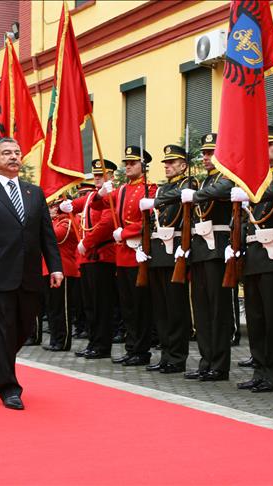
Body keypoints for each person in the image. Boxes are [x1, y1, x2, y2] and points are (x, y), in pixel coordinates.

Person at [0, 137, 63, 411]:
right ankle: (8, 387)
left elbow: (46, 234)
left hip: (29, 274)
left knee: (25, 327)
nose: (14, 157)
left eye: (17, 152)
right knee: (2, 329)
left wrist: (55, 266)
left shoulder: (34, 193)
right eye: (7, 153)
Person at [232, 127, 273, 393]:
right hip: (254, 254)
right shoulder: (258, 179)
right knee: (257, 319)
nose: (265, 150)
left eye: (271, 145)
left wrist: (251, 193)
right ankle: (259, 370)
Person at [93, 146, 157, 367]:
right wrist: (100, 193)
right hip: (122, 255)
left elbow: (150, 220)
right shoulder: (121, 190)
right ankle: (132, 348)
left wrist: (126, 232)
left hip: (139, 253)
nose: (128, 166)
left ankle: (141, 350)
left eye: (133, 163)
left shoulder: (150, 189)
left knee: (140, 305)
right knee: (127, 306)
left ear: (143, 166)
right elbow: (97, 204)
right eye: (126, 163)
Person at [138, 145, 197, 374]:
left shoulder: (188, 184)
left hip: (175, 251)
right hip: (158, 252)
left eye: (172, 162)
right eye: (166, 163)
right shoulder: (163, 188)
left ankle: (177, 357)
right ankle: (165, 354)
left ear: (183, 165)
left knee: (176, 309)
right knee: (161, 310)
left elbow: (180, 199)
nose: (167, 166)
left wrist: (154, 201)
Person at [180, 133, 234, 382]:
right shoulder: (205, 182)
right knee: (201, 310)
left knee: (217, 310)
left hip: (218, 247)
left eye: (210, 153)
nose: (205, 157)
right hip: (201, 248)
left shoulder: (226, 178)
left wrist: (195, 196)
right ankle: (206, 361)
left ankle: (219, 365)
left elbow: (223, 190)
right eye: (203, 153)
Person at [70, 164, 118, 360]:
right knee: (90, 304)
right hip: (88, 258)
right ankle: (93, 341)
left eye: (101, 175)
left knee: (101, 305)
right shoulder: (92, 195)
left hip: (102, 256)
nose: (97, 178)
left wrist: (87, 242)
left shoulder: (111, 195)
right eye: (96, 175)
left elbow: (107, 223)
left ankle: (102, 345)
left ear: (111, 176)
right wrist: (65, 204)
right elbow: (76, 204)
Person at [41, 197, 80, 351]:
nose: (51, 209)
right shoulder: (54, 222)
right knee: (52, 308)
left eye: (54, 206)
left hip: (64, 269)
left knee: (61, 308)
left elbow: (54, 236)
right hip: (49, 269)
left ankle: (62, 341)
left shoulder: (67, 222)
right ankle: (55, 339)